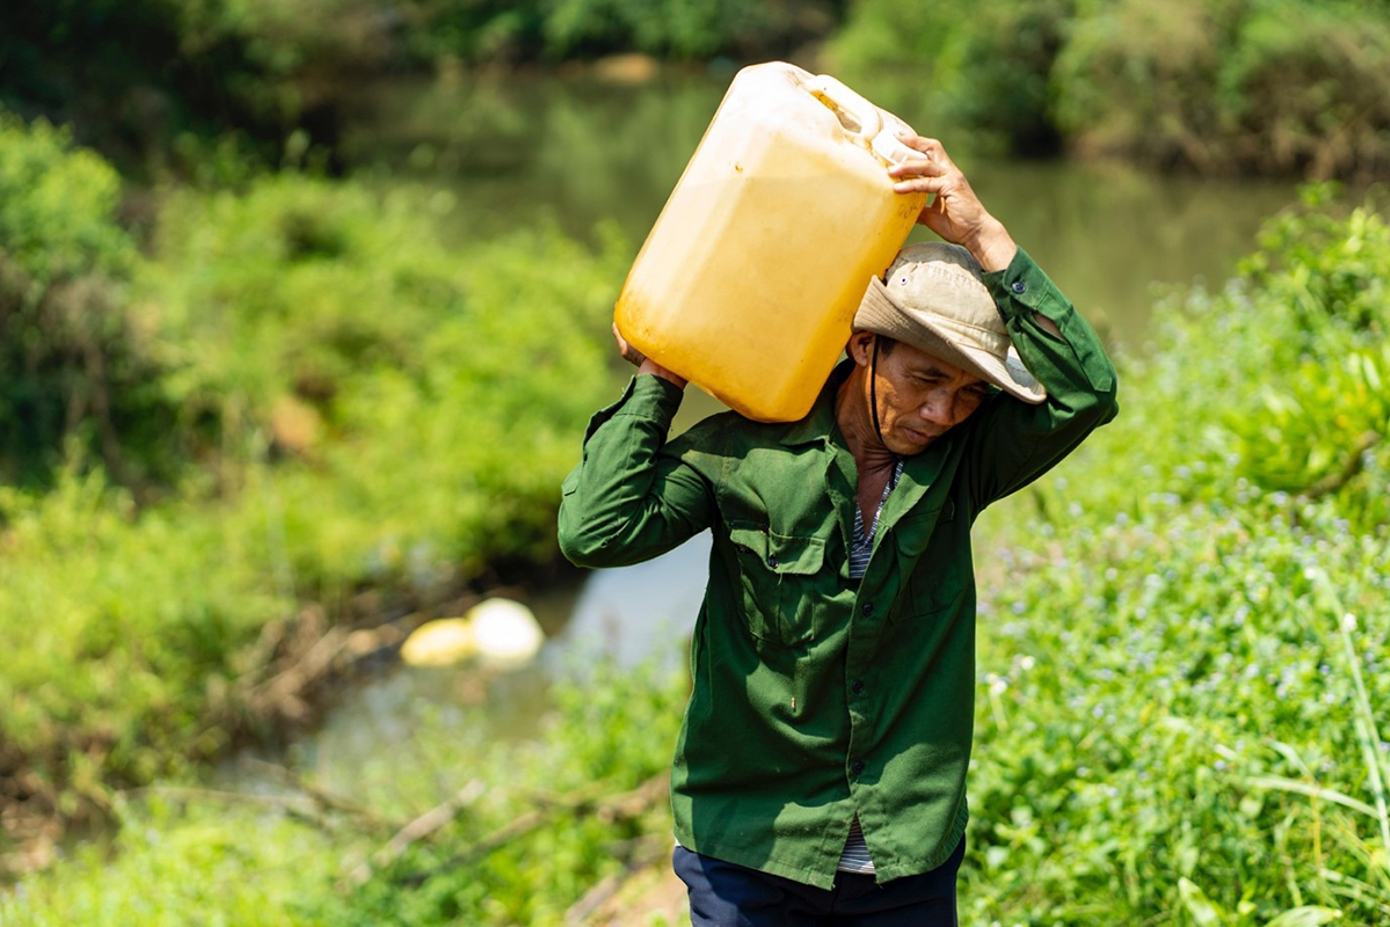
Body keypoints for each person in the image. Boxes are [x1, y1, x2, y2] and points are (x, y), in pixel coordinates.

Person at [557, 136, 1119, 925]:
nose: (942, 412)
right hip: (751, 846)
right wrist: (661, 375)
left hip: (904, 855)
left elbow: (1087, 392)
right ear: (864, 346)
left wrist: (983, 232)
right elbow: (597, 531)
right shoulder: (743, 451)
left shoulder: (964, 466)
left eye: (968, 394)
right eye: (926, 378)